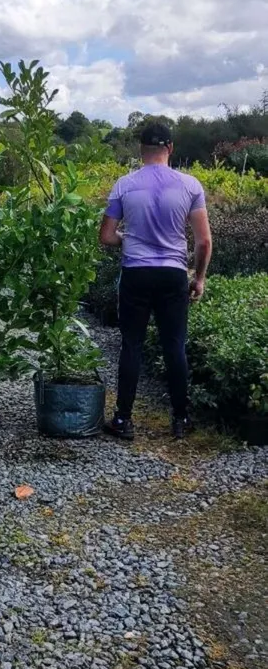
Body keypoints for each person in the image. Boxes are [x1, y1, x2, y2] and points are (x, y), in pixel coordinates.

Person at [99, 121, 213, 440]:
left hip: (136, 273)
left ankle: (123, 420)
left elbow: (106, 236)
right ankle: (181, 419)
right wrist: (199, 278)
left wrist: (126, 239)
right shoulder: (190, 186)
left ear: (141, 149)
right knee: (174, 345)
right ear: (170, 148)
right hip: (173, 274)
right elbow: (204, 241)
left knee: (132, 345)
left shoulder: (124, 184)